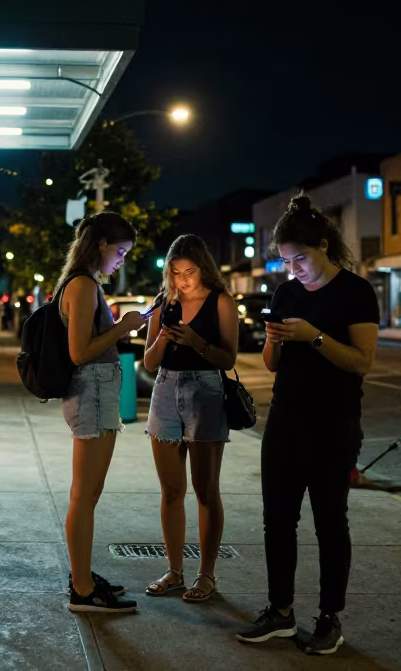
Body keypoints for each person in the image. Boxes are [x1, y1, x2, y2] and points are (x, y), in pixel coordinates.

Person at [235, 195, 379, 655]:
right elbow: (272, 364)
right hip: (285, 420)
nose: (293, 267)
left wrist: (313, 337)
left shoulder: (355, 292)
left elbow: (361, 362)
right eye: (284, 260)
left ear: (322, 245)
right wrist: (276, 340)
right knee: (277, 520)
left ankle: (329, 618)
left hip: (334, 424)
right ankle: (280, 611)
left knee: (330, 521)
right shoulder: (284, 293)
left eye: (299, 258)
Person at [57, 212, 148, 613]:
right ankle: (81, 587)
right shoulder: (81, 286)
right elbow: (79, 351)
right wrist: (124, 327)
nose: (123, 259)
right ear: (101, 245)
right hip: (90, 390)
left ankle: (85, 577)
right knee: (84, 495)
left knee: (89, 494)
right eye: (121, 250)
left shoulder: (86, 284)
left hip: (97, 391)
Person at [141, 234, 239, 603]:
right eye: (176, 272)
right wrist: (165, 338)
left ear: (204, 269)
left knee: (205, 489)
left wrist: (196, 342)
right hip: (165, 391)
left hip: (206, 393)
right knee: (170, 491)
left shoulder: (221, 302)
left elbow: (228, 358)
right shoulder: (164, 301)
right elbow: (149, 363)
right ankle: (174, 570)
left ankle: (207, 575)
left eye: (190, 272)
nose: (183, 280)